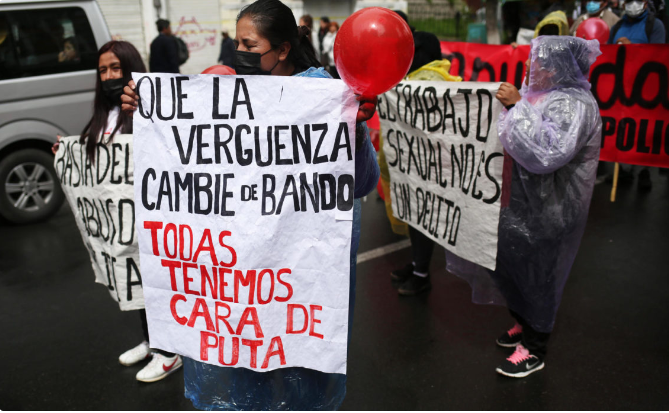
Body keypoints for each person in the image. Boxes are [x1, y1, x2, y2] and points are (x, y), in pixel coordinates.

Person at [120, 0, 379, 409]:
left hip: (297, 277)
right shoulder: (231, 91)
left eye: (249, 43)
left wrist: (357, 133)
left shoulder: (324, 96)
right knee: (244, 356)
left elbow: (363, 183)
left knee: (301, 370)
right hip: (241, 277)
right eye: (235, 42)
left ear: (282, 50)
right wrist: (147, 105)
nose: (238, 52)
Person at [448, 36, 602, 378]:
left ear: (561, 68)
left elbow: (547, 153)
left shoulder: (574, 104)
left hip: (554, 209)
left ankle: (535, 347)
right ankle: (523, 319)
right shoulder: (540, 94)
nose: (534, 67)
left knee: (540, 277)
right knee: (509, 263)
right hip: (522, 204)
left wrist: (518, 107)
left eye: (542, 62)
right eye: (534, 60)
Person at [52, 40, 183, 383]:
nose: (109, 76)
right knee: (134, 278)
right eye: (102, 70)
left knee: (154, 283)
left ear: (130, 70)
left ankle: (169, 352)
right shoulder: (103, 116)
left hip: (150, 217)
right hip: (121, 223)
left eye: (116, 69)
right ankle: (151, 341)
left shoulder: (147, 109)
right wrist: (66, 151)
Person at [386, 10, 445, 296]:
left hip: (426, 164)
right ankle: (416, 263)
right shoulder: (411, 76)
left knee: (422, 217)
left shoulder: (433, 80)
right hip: (411, 162)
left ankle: (422, 275)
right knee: (413, 216)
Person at [607, 0, 665, 189]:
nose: (632, 4)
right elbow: (607, 55)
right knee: (623, 129)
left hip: (644, 90)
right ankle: (624, 169)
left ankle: (643, 171)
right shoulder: (618, 26)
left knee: (643, 131)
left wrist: (632, 49)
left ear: (646, 2)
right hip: (621, 88)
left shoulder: (655, 26)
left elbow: (658, 56)